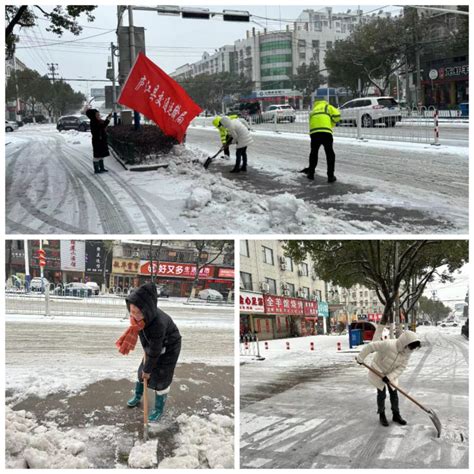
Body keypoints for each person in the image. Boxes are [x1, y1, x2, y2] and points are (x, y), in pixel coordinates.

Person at [116, 282, 181, 422]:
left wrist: (148, 369)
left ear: (147, 311)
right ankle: (138, 395)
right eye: (131, 311)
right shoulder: (139, 320)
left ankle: (158, 409)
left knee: (161, 379)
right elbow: (149, 346)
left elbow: (155, 350)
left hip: (169, 346)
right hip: (153, 346)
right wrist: (146, 367)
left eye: (137, 313)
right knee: (142, 372)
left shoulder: (158, 324)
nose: (134, 316)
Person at [356, 330, 421, 427]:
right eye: (411, 347)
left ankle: (396, 415)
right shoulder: (388, 345)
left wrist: (390, 377)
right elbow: (371, 346)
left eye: (413, 348)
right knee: (381, 394)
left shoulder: (407, 353)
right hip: (378, 371)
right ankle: (382, 415)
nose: (411, 350)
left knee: (394, 394)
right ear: (404, 343)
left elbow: (401, 367)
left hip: (391, 374)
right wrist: (360, 357)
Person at [301, 98, 341, 182]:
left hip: (314, 133)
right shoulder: (328, 107)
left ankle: (311, 173)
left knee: (314, 152)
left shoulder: (314, 110)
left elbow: (311, 122)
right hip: (326, 132)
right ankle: (330, 176)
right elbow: (337, 115)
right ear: (325, 102)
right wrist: (332, 123)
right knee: (330, 153)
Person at [85, 108, 112, 174]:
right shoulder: (94, 122)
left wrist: (108, 117)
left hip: (101, 140)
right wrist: (108, 119)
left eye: (99, 114)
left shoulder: (98, 121)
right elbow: (102, 126)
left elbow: (103, 124)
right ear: (93, 116)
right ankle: (96, 169)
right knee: (97, 156)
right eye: (97, 115)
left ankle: (101, 168)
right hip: (97, 141)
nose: (99, 116)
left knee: (101, 155)